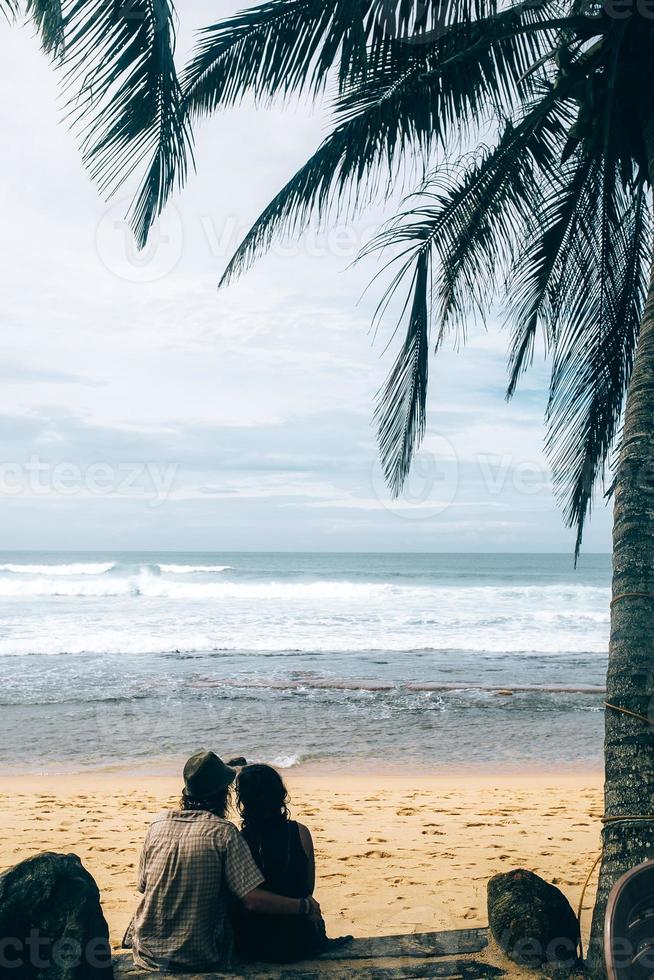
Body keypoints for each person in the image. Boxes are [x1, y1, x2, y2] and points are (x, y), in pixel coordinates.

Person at [126, 750, 322, 972]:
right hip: (199, 956)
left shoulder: (157, 825)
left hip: (147, 953)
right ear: (224, 795)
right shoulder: (224, 833)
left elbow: (142, 885)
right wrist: (305, 906)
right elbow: (252, 899)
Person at [233, 763, 349, 963]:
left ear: (243, 800)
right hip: (297, 939)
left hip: (252, 943)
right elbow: (307, 888)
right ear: (280, 794)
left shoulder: (237, 840)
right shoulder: (301, 833)